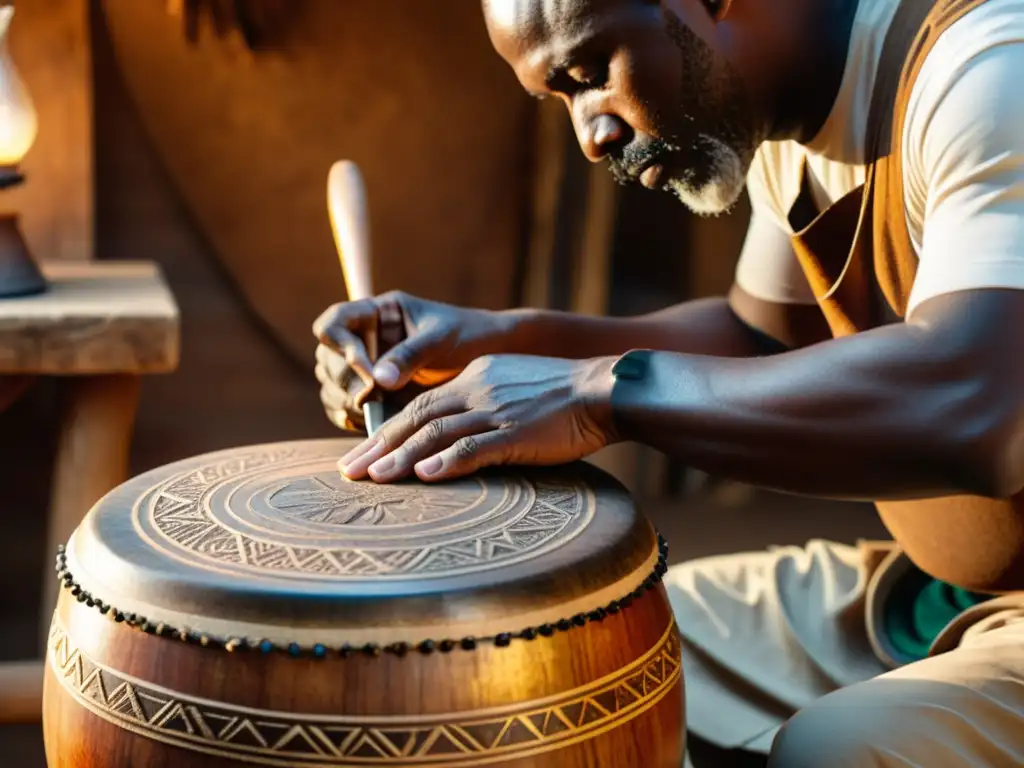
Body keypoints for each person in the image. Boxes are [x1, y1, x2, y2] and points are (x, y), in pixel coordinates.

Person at [313, 0, 1024, 764]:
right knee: (580, 653)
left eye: (589, 75)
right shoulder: (798, 117)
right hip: (937, 595)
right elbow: (756, 346)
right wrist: (494, 341)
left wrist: (597, 393)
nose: (591, 136)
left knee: (836, 750)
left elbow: (977, 400)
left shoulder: (989, 71)